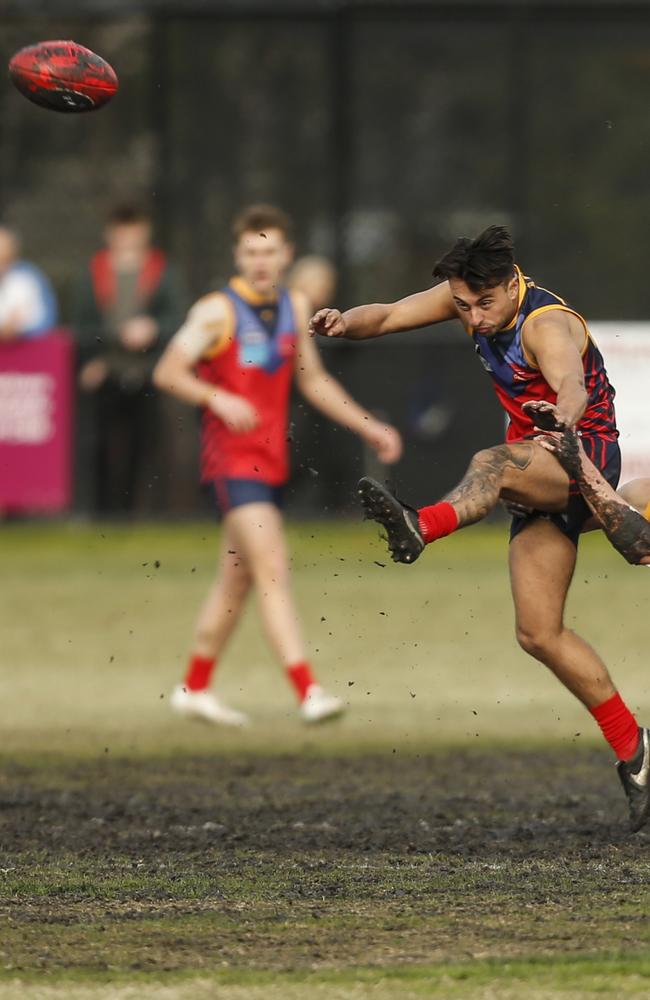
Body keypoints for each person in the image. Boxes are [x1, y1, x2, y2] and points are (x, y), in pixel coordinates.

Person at [310, 224, 648, 831]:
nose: (473, 318)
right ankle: (637, 751)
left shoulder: (546, 323)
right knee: (539, 632)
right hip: (539, 468)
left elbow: (570, 382)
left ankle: (421, 526)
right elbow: (386, 316)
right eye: (462, 306)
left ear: (511, 283)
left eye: (483, 305)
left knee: (491, 462)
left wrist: (560, 416)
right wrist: (342, 322)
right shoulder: (468, 300)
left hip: (582, 453)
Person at [153, 204, 402, 726]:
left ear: (286, 254)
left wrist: (368, 426)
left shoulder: (293, 307)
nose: (260, 261)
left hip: (271, 462)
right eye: (251, 252)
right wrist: (215, 398)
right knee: (272, 567)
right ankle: (308, 690)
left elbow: (313, 382)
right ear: (237, 254)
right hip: (231, 462)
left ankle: (194, 686)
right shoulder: (215, 311)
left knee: (237, 580)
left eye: (269, 251)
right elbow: (168, 371)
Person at [74, 205, 186, 514]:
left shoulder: (162, 271)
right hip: (106, 370)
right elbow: (83, 324)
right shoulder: (94, 272)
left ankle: (139, 513)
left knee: (145, 447)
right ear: (110, 233)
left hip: (149, 370)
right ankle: (100, 513)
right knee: (99, 446)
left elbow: (176, 318)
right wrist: (96, 357)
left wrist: (153, 329)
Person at [0, 225, 58, 340]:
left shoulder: (29, 276)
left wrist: (20, 329)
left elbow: (46, 318)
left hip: (25, 347)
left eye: (5, 258)